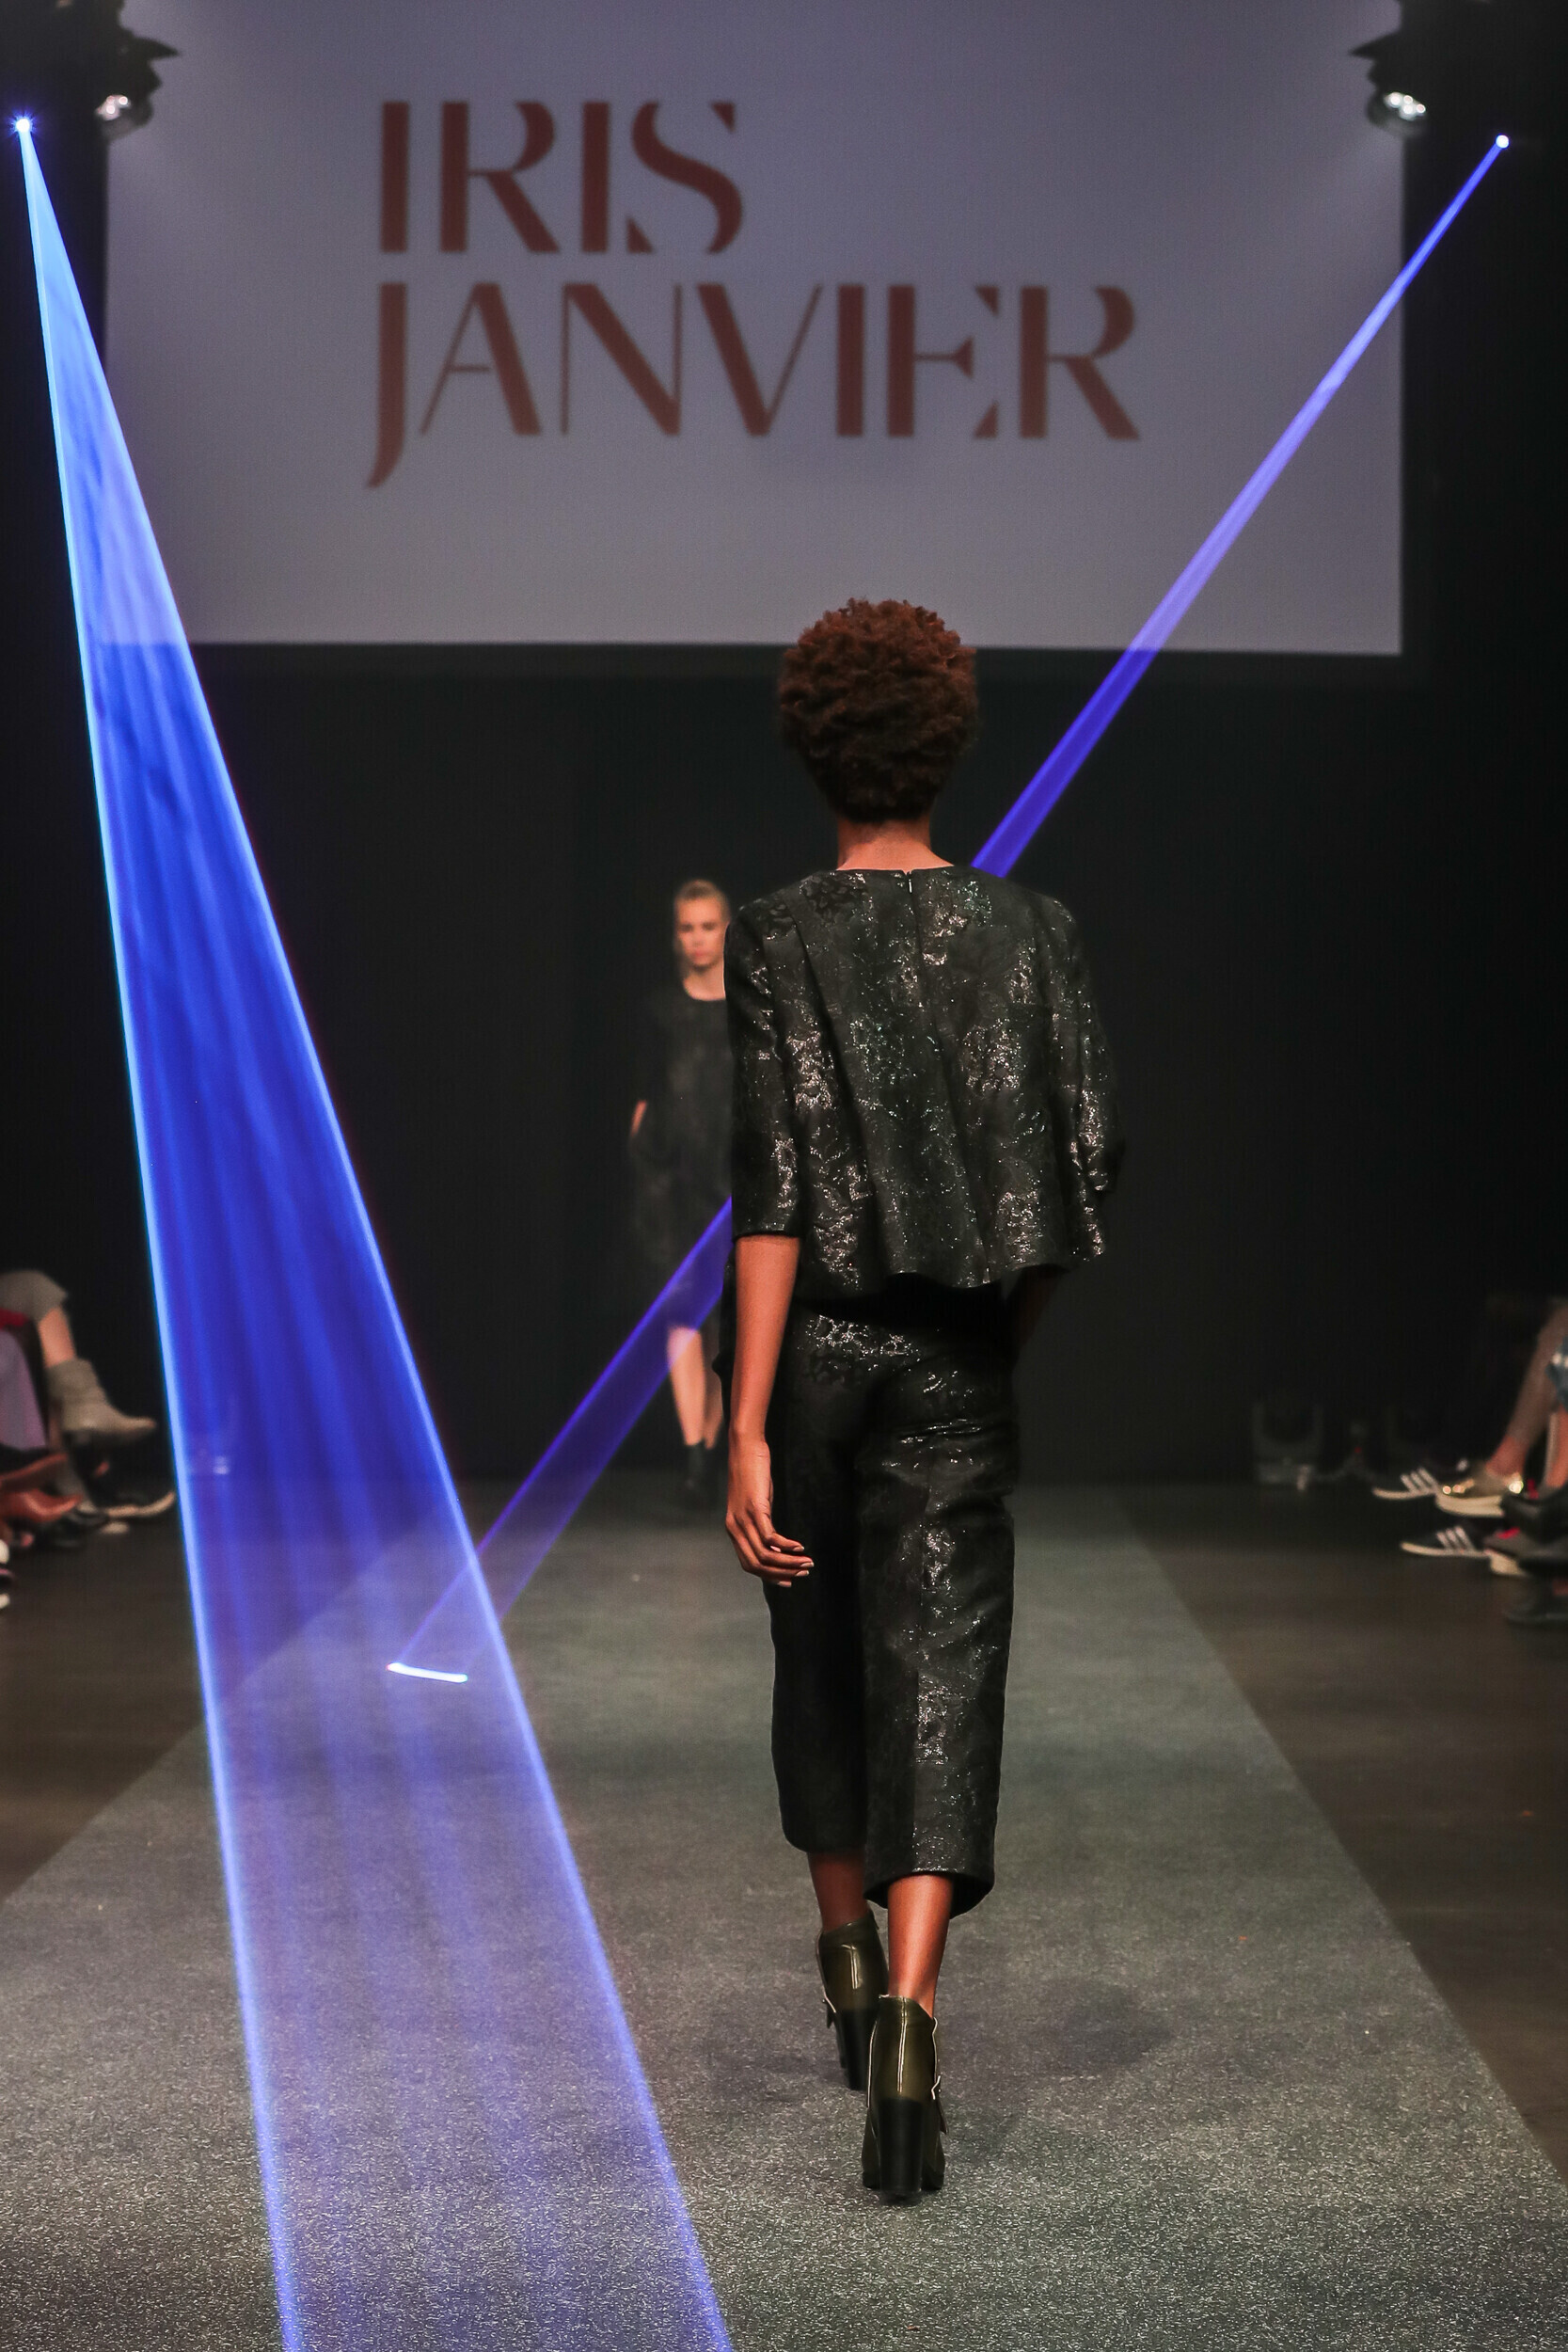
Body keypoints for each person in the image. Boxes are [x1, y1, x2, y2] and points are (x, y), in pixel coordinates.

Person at [721, 599, 1122, 2202]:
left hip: (813, 1360)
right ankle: (910, 2006)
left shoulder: (779, 934)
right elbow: (1084, 1178)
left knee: (819, 1652)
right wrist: (993, 1340)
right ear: (944, 743)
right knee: (943, 1672)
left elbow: (772, 1191)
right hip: (958, 1356)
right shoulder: (1035, 934)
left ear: (813, 746)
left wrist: (744, 1421)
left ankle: (839, 1952)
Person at [629, 882, 734, 1507]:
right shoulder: (660, 1011)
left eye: (707, 926)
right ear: (675, 937)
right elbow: (647, 1095)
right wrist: (642, 1166)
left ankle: (711, 1449)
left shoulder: (748, 1008)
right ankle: (695, 1455)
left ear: (726, 929)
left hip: (730, 1183)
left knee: (725, 1320)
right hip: (670, 1180)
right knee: (681, 1314)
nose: (697, 938)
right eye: (687, 928)